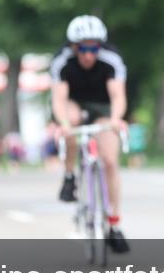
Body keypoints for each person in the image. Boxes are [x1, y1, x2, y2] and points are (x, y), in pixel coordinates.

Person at [50, 14, 130, 253]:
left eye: (93, 47)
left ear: (100, 45)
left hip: (103, 106)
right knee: (71, 122)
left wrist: (116, 120)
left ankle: (114, 224)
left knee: (110, 161)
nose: (87, 54)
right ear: (73, 47)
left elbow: (118, 96)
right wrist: (63, 123)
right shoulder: (62, 61)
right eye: (82, 48)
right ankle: (69, 175)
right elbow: (59, 99)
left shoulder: (111, 59)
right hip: (74, 103)